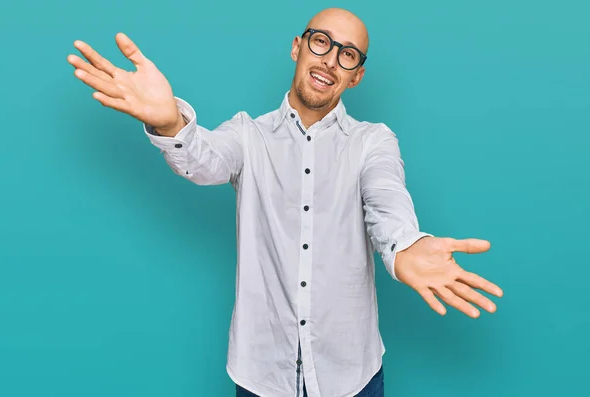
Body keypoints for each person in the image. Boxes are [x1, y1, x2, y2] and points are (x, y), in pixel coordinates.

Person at [67, 7, 503, 397]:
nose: (331, 59)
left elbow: (386, 197)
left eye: (348, 54)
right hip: (261, 375)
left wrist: (404, 245)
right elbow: (202, 160)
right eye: (321, 42)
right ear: (298, 47)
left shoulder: (374, 141)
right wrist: (170, 123)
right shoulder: (247, 135)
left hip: (352, 377)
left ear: (358, 75)